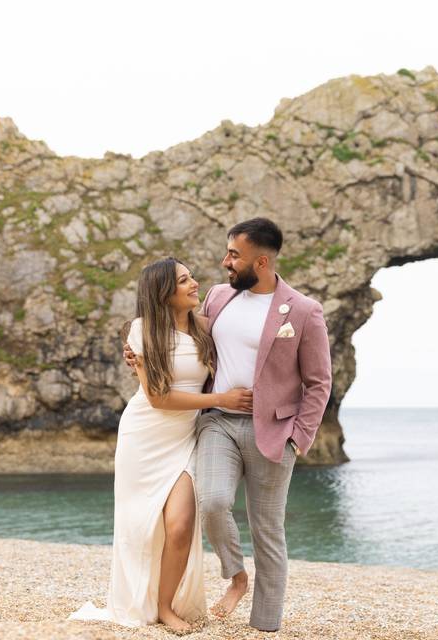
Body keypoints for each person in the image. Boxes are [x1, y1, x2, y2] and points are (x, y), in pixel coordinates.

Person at [124, 218, 332, 632]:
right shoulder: (220, 298)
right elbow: (185, 334)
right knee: (214, 503)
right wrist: (139, 346)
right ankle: (236, 575)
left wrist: (299, 438)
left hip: (272, 431)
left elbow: (319, 382)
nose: (225, 262)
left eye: (234, 255)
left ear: (261, 260)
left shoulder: (304, 311)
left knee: (267, 529)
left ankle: (264, 624)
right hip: (217, 422)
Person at [70, 257, 252, 633]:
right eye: (184, 280)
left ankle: (167, 605)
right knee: (140, 526)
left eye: (191, 277)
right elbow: (158, 398)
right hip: (144, 437)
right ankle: (149, 603)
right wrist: (223, 400)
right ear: (164, 293)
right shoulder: (141, 331)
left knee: (182, 524)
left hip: (186, 437)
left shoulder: (205, 329)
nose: (194, 283)